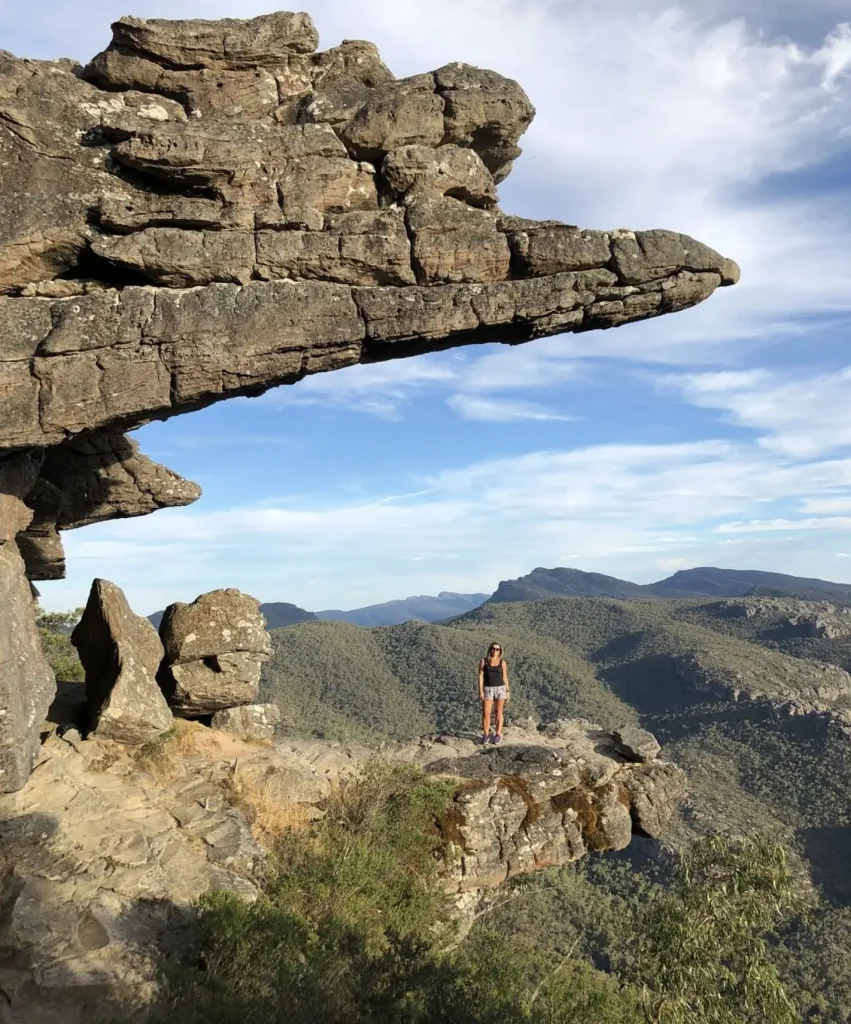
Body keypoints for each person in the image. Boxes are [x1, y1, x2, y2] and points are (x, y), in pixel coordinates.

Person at [478, 642, 510, 744]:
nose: (495, 651)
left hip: (501, 688)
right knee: (486, 713)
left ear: (500, 651)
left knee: (498, 712)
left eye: (497, 649)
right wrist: (481, 691)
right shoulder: (484, 661)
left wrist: (507, 691)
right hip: (488, 689)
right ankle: (486, 735)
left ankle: (498, 734)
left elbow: (505, 677)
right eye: (493, 648)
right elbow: (480, 677)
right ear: (490, 649)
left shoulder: (502, 663)